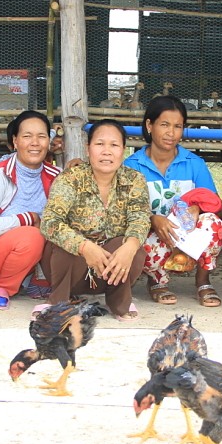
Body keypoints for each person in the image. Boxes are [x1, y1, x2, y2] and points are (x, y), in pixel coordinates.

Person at [40, 120, 150, 321]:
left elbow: (140, 219)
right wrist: (84, 247)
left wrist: (131, 245)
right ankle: (59, 303)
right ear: (88, 148)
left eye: (114, 145)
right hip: (72, 268)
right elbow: (50, 222)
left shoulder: (135, 180)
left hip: (109, 272)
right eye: (100, 144)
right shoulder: (70, 179)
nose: (106, 151)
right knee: (63, 244)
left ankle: (119, 303)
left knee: (132, 248)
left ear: (123, 150)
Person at [123, 95, 222, 307]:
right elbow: (122, 213)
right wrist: (152, 219)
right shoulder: (132, 165)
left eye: (178, 126)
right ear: (149, 125)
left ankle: (203, 281)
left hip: (189, 239)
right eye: (164, 125)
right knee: (135, 235)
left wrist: (198, 208)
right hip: (155, 239)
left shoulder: (194, 164)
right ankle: (156, 280)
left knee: (212, 223)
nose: (171, 133)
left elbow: (219, 209)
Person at [0, 110, 59, 310]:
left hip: (34, 266)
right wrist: (28, 217)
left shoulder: (57, 176)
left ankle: (39, 282)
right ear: (15, 141)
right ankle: (1, 288)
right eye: (27, 136)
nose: (35, 142)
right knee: (32, 235)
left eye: (41, 136)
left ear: (48, 142)